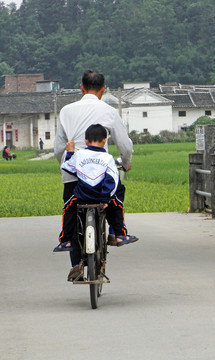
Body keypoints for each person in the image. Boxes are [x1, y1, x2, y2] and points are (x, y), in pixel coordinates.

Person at [54, 69, 137, 249]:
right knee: (116, 195)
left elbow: (58, 148)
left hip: (74, 176)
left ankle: (72, 255)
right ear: (103, 89)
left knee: (71, 209)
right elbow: (124, 145)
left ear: (81, 88)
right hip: (100, 174)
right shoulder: (109, 111)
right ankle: (116, 233)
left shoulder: (66, 111)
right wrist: (126, 164)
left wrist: (66, 167)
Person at [56, 124, 138, 281]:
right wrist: (105, 199)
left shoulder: (79, 155)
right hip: (101, 197)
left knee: (68, 208)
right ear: (105, 141)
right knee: (117, 204)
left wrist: (70, 152)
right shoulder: (107, 158)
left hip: (82, 197)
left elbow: (67, 167)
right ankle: (119, 234)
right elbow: (112, 180)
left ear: (86, 141)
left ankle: (65, 240)